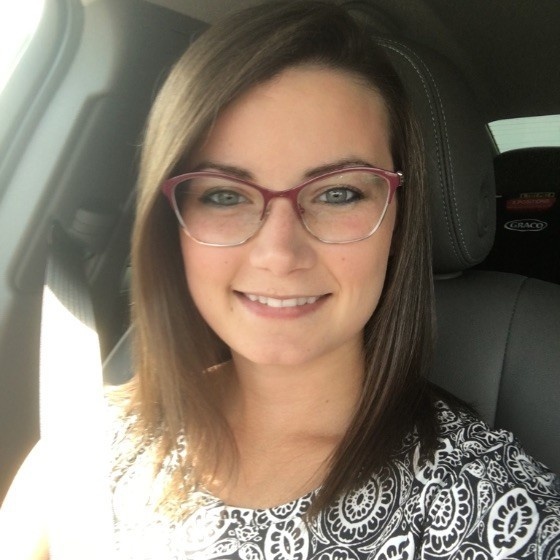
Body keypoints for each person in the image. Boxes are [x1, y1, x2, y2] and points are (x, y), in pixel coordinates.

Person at [1, 2, 559, 559]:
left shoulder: (492, 508)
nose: (279, 254)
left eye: (338, 193)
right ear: (171, 223)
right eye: (224, 195)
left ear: (399, 219)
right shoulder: (85, 446)